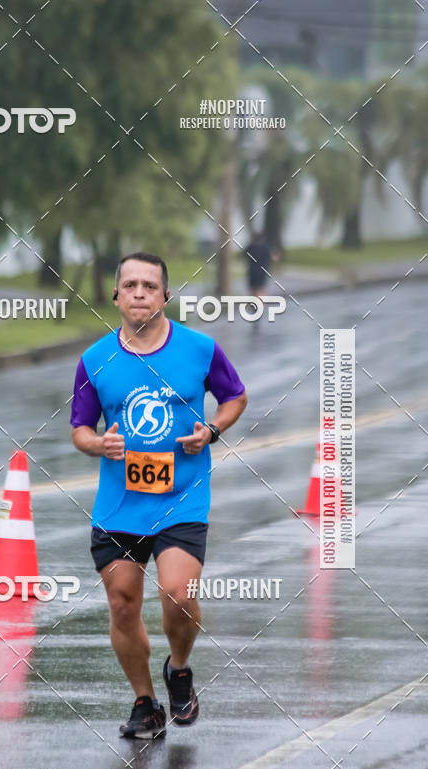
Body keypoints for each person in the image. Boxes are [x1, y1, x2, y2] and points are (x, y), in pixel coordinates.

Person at [70, 251, 247, 740]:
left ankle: (181, 668)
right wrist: (97, 444)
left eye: (150, 285)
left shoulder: (200, 348)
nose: (140, 293)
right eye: (130, 285)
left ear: (165, 295)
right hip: (120, 504)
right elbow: (80, 429)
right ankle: (145, 703)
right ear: (116, 295)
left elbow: (235, 397)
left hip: (182, 497)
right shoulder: (94, 360)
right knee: (123, 604)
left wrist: (211, 430)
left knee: (179, 594)